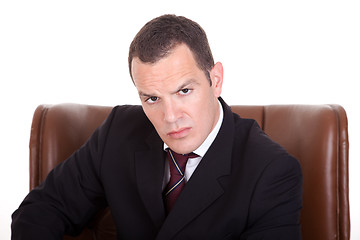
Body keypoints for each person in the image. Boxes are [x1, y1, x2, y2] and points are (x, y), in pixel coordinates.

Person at [11, 14, 303, 239]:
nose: (170, 116)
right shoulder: (118, 132)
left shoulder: (271, 171)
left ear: (216, 80)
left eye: (184, 91)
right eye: (152, 98)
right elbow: (41, 210)